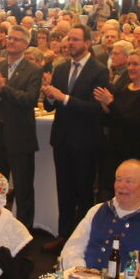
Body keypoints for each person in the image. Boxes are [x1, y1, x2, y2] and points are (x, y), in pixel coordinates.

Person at [42, 24, 110, 251]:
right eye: (68, 39)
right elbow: (51, 107)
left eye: (75, 39)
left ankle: (84, 241)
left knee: (83, 193)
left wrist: (64, 98)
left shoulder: (99, 71)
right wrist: (50, 96)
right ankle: (64, 236)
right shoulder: (61, 69)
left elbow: (95, 109)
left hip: (86, 141)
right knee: (64, 190)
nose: (70, 43)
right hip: (62, 139)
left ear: (87, 43)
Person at [60, 158, 140, 279]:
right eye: (118, 180)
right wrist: (83, 273)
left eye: (129, 181)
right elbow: (71, 249)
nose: (122, 186)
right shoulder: (97, 211)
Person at [0, 25, 42, 227]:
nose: (11, 41)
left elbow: (30, 99)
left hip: (20, 137)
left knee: (24, 189)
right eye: (9, 38)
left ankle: (24, 232)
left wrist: (2, 88)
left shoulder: (33, 70)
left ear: (25, 44)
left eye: (16, 39)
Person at [94, 48, 140, 199]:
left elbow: (133, 122)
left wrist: (111, 104)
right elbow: (109, 121)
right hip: (116, 151)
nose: (131, 68)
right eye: (129, 64)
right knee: (108, 194)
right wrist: (105, 108)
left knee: (131, 197)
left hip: (137, 153)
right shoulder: (124, 89)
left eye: (135, 64)